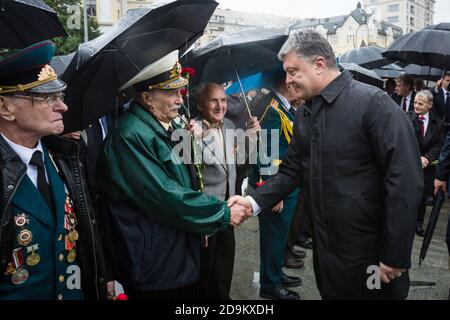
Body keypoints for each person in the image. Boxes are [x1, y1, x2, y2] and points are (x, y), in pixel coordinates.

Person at [228, 30, 423, 300]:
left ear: (319, 64)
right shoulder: (306, 113)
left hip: (372, 259)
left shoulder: (374, 105)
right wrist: (252, 203)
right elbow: (291, 171)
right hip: (328, 256)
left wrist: (395, 254)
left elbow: (405, 183)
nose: (288, 80)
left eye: (293, 70)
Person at [96, 51, 251, 300]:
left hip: (173, 249)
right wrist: (220, 213)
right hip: (154, 260)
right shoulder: (129, 136)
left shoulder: (164, 123)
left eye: (180, 91)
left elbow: (187, 175)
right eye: (171, 93)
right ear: (147, 97)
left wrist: (191, 142)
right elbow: (164, 195)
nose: (180, 100)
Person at [0, 41, 111, 300]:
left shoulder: (65, 157)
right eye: (47, 98)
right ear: (5, 107)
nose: (63, 106)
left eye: (59, 96)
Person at [194, 83, 260, 300]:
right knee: (205, 266)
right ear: (201, 104)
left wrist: (251, 136)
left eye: (223, 100)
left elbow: (238, 163)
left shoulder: (230, 125)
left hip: (228, 207)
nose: (220, 105)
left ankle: (223, 297)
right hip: (205, 212)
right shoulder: (190, 129)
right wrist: (193, 141)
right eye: (214, 100)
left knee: (224, 260)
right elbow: (188, 174)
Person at [249, 67, 303, 300]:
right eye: (294, 81)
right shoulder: (272, 108)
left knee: (280, 236)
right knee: (272, 237)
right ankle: (270, 285)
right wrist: (273, 193)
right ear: (286, 83)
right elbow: (265, 152)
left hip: (285, 183)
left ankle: (276, 273)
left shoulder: (282, 106)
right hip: (275, 185)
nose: (298, 85)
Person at [409, 90, 444, 237]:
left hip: (427, 167)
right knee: (408, 194)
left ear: (430, 105)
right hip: (410, 163)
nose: (416, 106)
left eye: (420, 103)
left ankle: (418, 223)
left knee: (422, 196)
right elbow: (404, 139)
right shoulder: (407, 118)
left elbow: (440, 143)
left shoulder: (438, 122)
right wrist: (418, 157)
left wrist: (427, 158)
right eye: (415, 102)